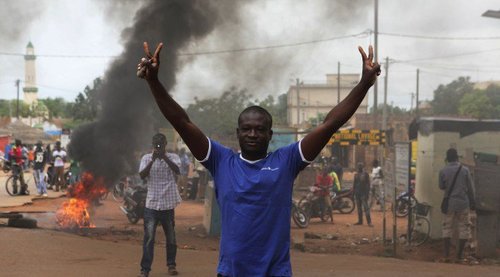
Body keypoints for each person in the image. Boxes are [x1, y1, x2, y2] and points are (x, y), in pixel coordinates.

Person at [138, 41, 380, 276]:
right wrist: (153, 82)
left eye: (259, 129)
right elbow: (182, 122)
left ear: (270, 134)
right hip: (231, 272)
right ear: (238, 133)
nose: (252, 134)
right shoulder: (221, 161)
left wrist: (364, 85)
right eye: (247, 129)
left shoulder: (287, 161)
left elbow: (330, 124)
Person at [138, 133, 181, 277]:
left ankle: (171, 265)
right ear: (152, 144)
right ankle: (145, 269)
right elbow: (142, 175)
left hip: (168, 205)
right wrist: (153, 160)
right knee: (149, 238)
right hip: (152, 204)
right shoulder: (146, 158)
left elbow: (178, 170)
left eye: (161, 144)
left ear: (165, 144)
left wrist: (164, 157)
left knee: (171, 238)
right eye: (156, 144)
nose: (158, 147)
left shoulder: (173, 157)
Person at [439, 148, 475, 263]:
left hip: (449, 203)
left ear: (447, 158)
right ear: (457, 157)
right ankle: (459, 255)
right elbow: (470, 188)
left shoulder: (443, 171)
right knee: (464, 228)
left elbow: (441, 186)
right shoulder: (465, 170)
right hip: (463, 203)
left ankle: (446, 255)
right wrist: (472, 201)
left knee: (447, 228)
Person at [353, 162, 372, 227]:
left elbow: (368, 184)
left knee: (366, 208)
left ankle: (369, 222)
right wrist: (354, 193)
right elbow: (354, 184)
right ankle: (360, 221)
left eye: (360, 166)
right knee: (359, 208)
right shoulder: (356, 175)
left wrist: (367, 193)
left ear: (362, 167)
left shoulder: (365, 174)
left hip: (364, 193)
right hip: (357, 193)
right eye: (358, 166)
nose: (359, 167)